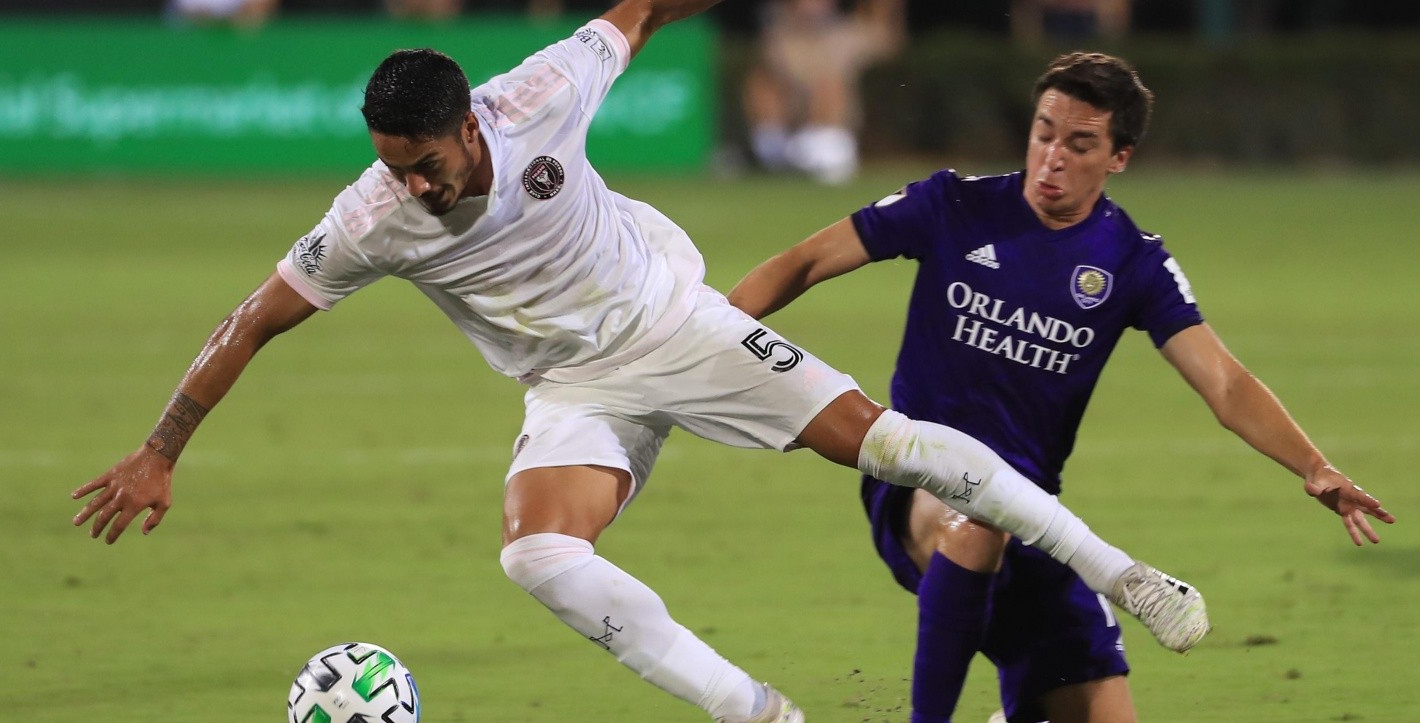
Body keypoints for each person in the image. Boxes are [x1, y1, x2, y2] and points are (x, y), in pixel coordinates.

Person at [70, 6, 1207, 718]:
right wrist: (161, 449)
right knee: (536, 556)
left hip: (672, 321)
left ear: (469, 125)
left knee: (892, 446)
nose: (412, 184)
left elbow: (646, 9)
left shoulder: (539, 95)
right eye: (393, 167)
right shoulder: (372, 218)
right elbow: (253, 318)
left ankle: (1124, 575)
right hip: (572, 384)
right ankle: (757, 711)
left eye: (424, 163)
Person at [726, 52, 1395, 723]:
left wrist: (1314, 466)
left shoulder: (1132, 261)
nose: (1052, 158)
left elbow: (1224, 382)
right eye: (1044, 133)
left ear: (1119, 157)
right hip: (919, 488)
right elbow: (807, 260)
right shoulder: (953, 204)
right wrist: (709, 332)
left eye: (1079, 144)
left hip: (1039, 521)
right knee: (977, 520)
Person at [743, 0, 905, 184]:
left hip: (835, 123)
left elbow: (887, 42)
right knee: (760, 80)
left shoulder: (848, 33)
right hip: (793, 125)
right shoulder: (781, 37)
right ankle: (773, 147)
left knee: (829, 82)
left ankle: (827, 148)